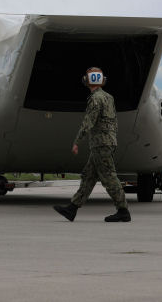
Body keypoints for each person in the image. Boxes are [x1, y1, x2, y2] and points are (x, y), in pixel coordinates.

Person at [53, 67, 130, 223]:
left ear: (88, 81)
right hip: (107, 141)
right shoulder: (109, 97)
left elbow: (89, 121)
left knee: (109, 176)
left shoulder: (95, 99)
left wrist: (77, 141)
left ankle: (123, 210)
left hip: (100, 143)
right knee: (88, 176)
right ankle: (72, 209)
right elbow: (114, 121)